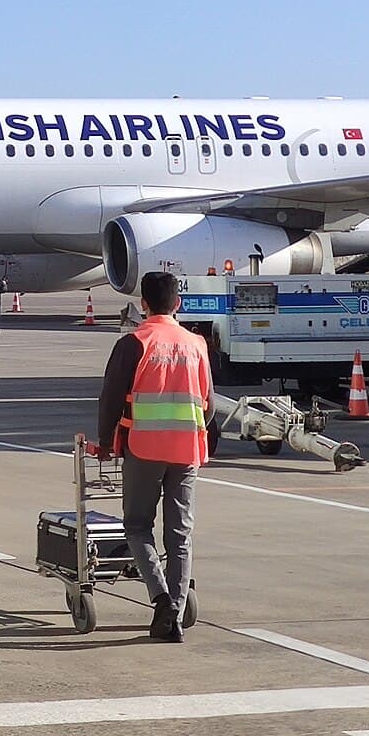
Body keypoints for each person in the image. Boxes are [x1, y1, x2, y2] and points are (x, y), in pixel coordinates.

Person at [96, 269, 213, 642]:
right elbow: (208, 405)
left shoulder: (134, 343)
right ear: (177, 303)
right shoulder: (196, 344)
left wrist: (105, 441)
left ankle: (161, 600)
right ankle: (175, 613)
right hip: (187, 450)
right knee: (180, 533)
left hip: (143, 447)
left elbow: (110, 399)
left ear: (142, 304)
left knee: (136, 526)